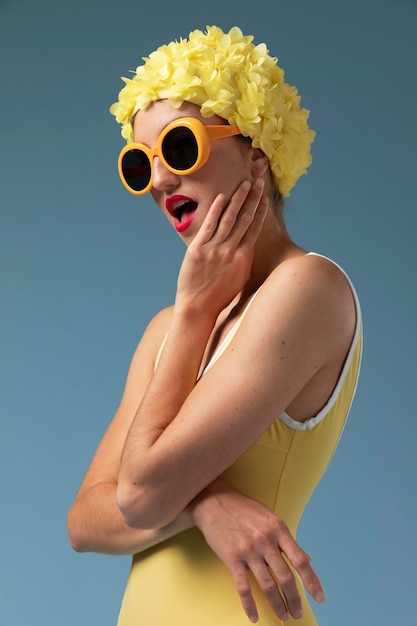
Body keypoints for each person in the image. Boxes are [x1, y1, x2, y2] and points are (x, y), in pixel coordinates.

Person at [67, 25, 362, 626]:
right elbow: (84, 520)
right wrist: (207, 503)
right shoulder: (167, 327)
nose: (158, 183)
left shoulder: (308, 287)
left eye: (179, 148)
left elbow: (139, 494)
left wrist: (198, 311)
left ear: (258, 155)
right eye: (139, 164)